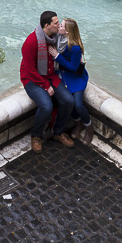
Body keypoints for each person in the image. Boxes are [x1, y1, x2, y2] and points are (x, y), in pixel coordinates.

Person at [20, 10, 75, 154]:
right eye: (56, 23)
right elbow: (30, 71)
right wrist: (45, 86)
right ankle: (36, 135)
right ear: (47, 25)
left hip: (51, 75)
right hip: (32, 80)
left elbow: (71, 46)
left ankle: (57, 132)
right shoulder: (31, 42)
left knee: (69, 101)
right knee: (46, 106)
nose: (59, 25)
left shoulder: (55, 37)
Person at [49, 19, 94, 144]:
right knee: (67, 101)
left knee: (78, 104)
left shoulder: (75, 48)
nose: (59, 26)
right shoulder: (59, 39)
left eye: (61, 25)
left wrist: (58, 56)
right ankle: (78, 122)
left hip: (76, 78)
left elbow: (73, 68)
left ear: (67, 31)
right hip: (63, 76)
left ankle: (89, 127)